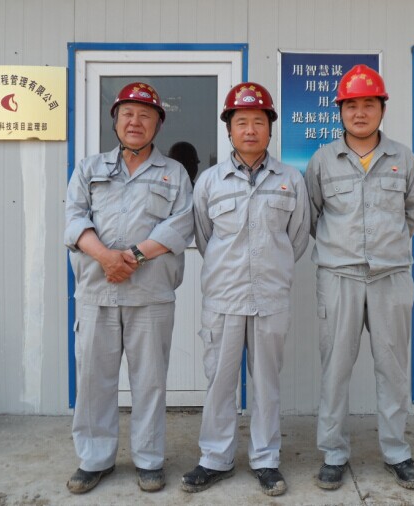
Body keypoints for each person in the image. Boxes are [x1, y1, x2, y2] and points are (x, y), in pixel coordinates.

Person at [64, 82, 194, 494]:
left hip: (150, 295)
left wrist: (131, 258)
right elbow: (73, 219)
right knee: (93, 380)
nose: (135, 122)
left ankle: (149, 460)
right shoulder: (89, 169)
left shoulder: (174, 173)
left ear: (158, 124)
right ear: (116, 121)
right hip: (96, 294)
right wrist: (105, 257)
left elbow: (181, 225)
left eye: (145, 115)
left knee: (150, 381)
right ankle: (94, 459)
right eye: (127, 114)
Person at [181, 82, 310, 497]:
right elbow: (204, 238)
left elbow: (298, 238)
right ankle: (214, 458)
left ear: (270, 128)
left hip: (271, 297)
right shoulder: (209, 182)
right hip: (224, 298)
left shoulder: (290, 180)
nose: (250, 130)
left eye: (258, 121)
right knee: (220, 381)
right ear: (229, 129)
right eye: (241, 122)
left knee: (267, 383)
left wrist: (270, 267)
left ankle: (266, 459)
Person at [304, 64, 414, 491]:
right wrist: (344, 249)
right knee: (336, 369)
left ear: (382, 109)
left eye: (368, 104)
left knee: (393, 369)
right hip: (339, 277)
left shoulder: (402, 158)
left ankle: (396, 451)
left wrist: (386, 247)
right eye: (351, 105)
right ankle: (333, 454)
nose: (359, 113)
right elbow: (312, 214)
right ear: (340, 111)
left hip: (392, 277)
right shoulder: (322, 160)